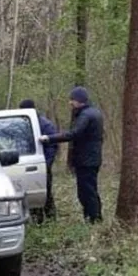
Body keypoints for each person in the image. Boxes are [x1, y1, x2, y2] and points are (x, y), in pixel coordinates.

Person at [39, 87, 104, 223]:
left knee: (86, 192)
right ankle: (93, 218)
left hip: (86, 160)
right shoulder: (94, 112)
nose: (70, 103)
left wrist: (49, 138)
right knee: (90, 190)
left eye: (72, 100)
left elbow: (73, 134)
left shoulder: (85, 115)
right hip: (91, 159)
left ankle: (94, 219)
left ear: (79, 100)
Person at [19, 99, 58, 221]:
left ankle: (51, 218)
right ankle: (37, 219)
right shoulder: (23, 124)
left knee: (46, 192)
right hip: (28, 163)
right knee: (33, 191)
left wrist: (46, 164)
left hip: (42, 164)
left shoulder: (44, 124)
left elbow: (52, 145)